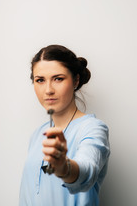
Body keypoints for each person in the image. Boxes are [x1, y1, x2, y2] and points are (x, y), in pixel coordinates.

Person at [19, 45, 110, 206]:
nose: (48, 90)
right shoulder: (37, 135)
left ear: (75, 80)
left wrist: (64, 167)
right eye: (40, 80)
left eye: (58, 78)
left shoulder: (92, 128)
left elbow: (87, 170)